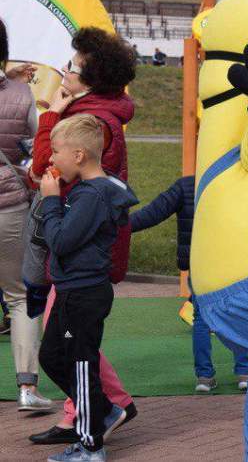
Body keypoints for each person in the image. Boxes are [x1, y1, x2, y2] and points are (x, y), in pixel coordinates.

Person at [28, 27, 138, 447]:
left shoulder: (91, 123)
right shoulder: (95, 112)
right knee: (71, 341)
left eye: (72, 67)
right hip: (82, 251)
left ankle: (102, 411)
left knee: (72, 343)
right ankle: (86, 410)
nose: (65, 71)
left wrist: (52, 115)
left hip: (81, 257)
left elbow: (45, 165)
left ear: (91, 79)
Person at [37, 114, 139, 462]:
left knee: (82, 365)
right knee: (51, 357)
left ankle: (91, 446)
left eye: (56, 152)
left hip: (84, 293)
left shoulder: (91, 195)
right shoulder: (90, 190)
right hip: (71, 290)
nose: (51, 160)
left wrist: (50, 200)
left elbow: (62, 241)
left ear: (79, 155)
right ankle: (104, 411)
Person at [128, 175, 248, 392]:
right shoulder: (233, 180)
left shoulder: (186, 186)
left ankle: (204, 377)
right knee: (237, 313)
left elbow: (153, 213)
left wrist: (117, 227)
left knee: (201, 320)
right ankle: (244, 371)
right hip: (232, 260)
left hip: (199, 262)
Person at [0, 19, 53, 413]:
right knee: (19, 296)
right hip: (9, 207)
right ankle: (27, 389)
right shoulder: (21, 93)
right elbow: (38, 147)